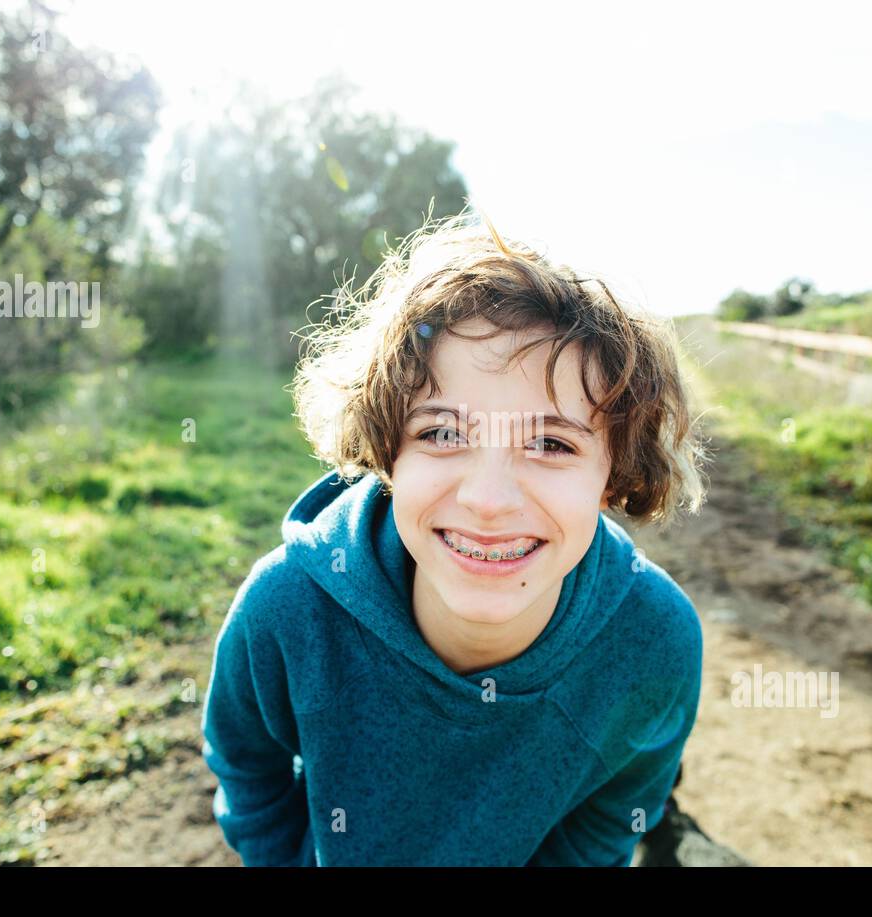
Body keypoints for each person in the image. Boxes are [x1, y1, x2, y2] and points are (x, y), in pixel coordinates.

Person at [200, 209, 708, 865]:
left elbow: (609, 820)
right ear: (387, 451)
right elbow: (247, 764)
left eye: (550, 444)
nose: (487, 501)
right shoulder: (286, 607)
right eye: (443, 434)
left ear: (615, 475)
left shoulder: (655, 644)